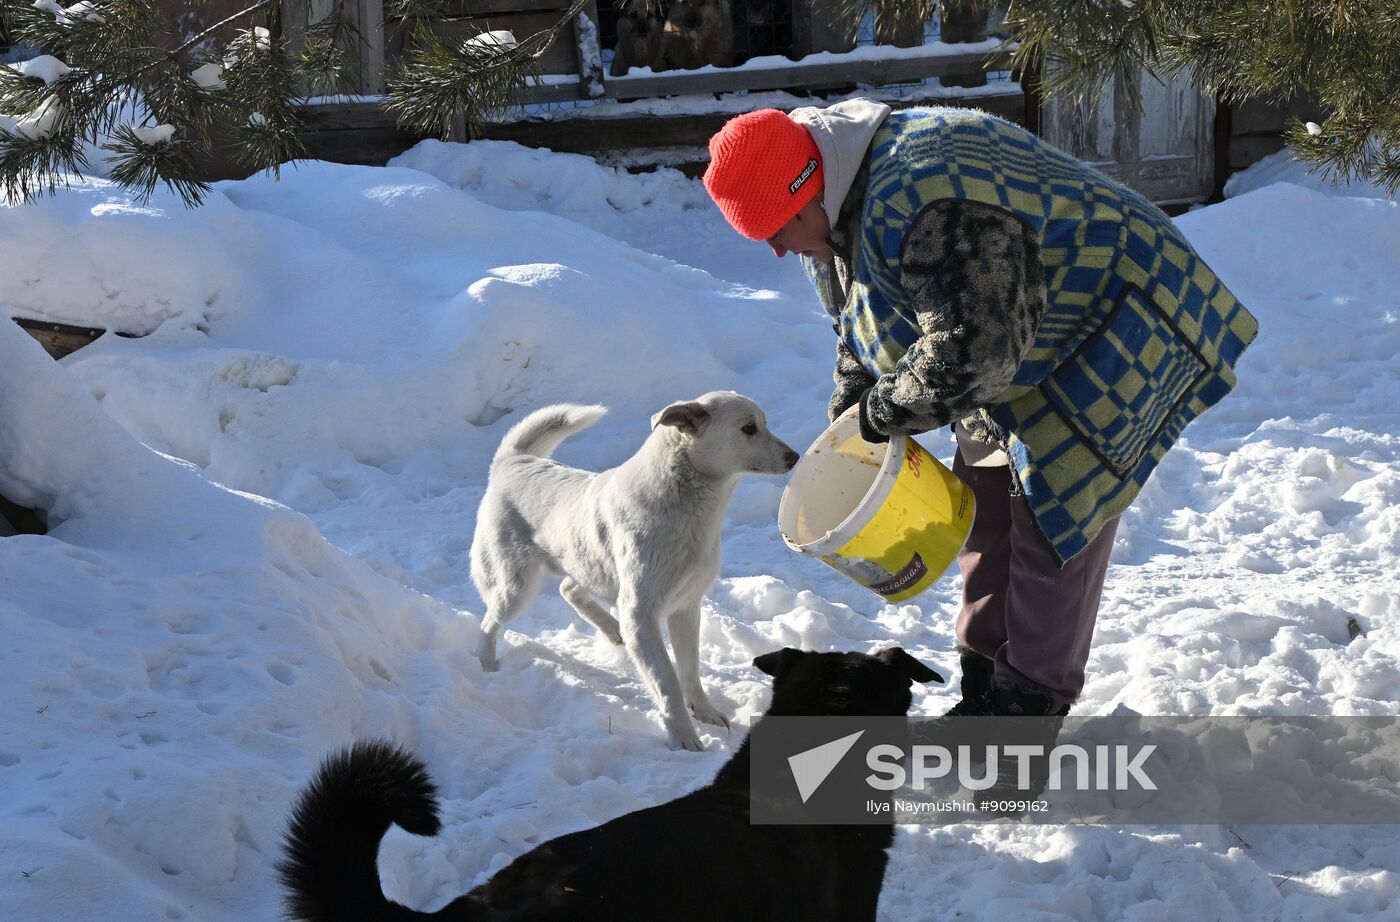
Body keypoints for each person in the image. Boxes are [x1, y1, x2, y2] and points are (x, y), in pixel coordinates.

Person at [702, 101, 1257, 726]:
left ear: (808, 191)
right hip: (1005, 333)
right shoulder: (827, 210)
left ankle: (1023, 719)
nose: (777, 250)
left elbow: (977, 352)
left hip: (1104, 311)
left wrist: (883, 410)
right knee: (984, 506)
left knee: (1053, 521)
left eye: (777, 230)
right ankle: (984, 692)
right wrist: (854, 410)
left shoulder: (926, 196)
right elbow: (860, 319)